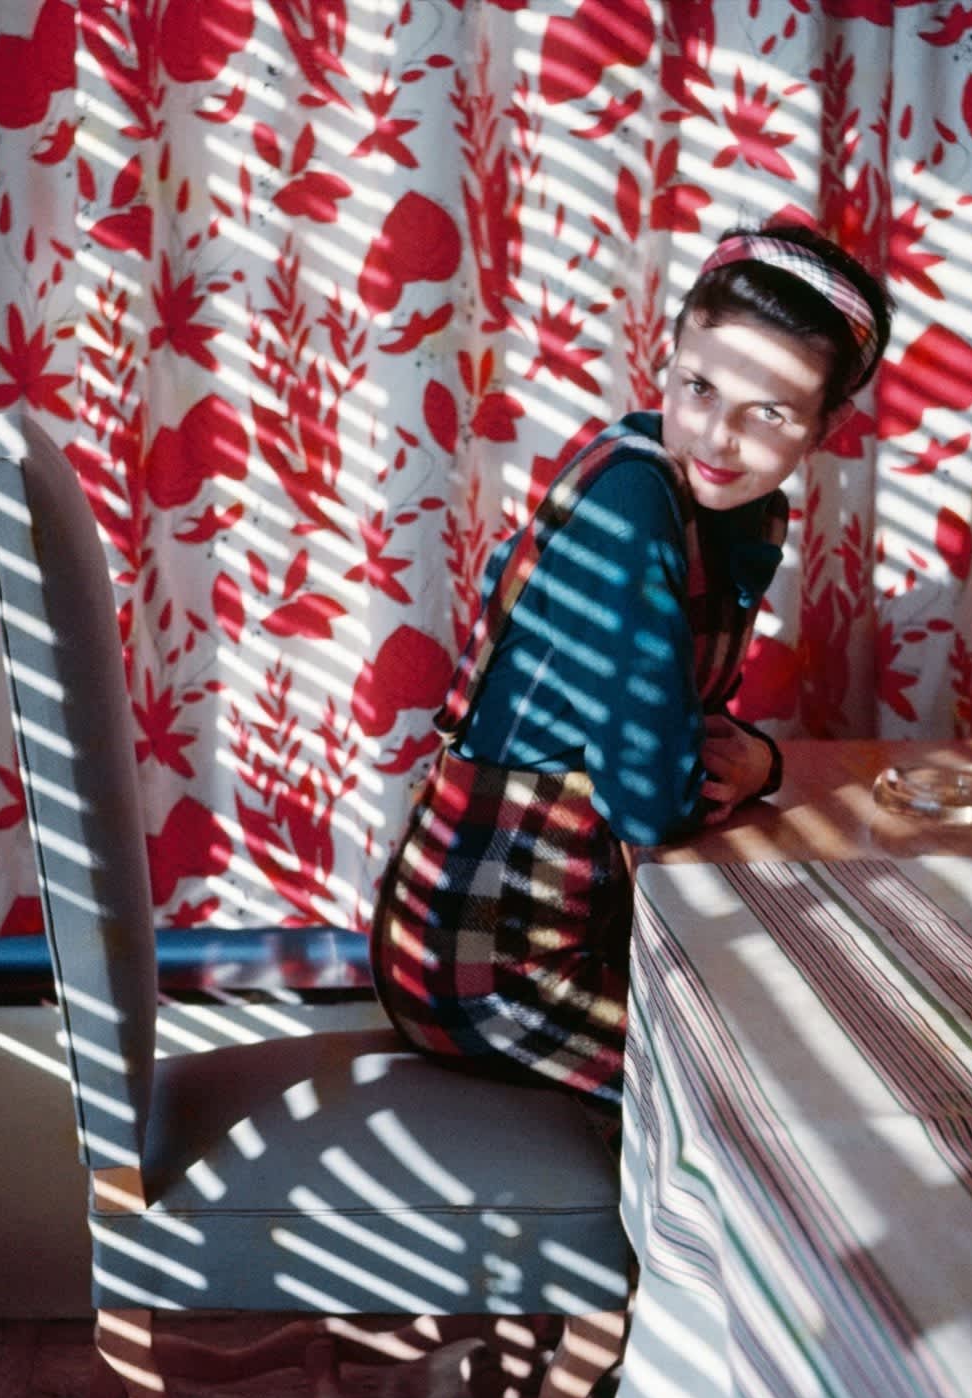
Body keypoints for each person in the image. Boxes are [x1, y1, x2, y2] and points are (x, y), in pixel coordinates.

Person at [370, 220, 894, 1104]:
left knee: (825, 1012)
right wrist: (720, 765)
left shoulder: (742, 512)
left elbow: (688, 725)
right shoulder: (632, 504)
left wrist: (757, 760)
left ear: (827, 426)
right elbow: (649, 799)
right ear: (670, 355)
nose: (720, 439)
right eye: (700, 388)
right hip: (482, 959)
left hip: (593, 921)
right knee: (758, 1090)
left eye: (770, 413)